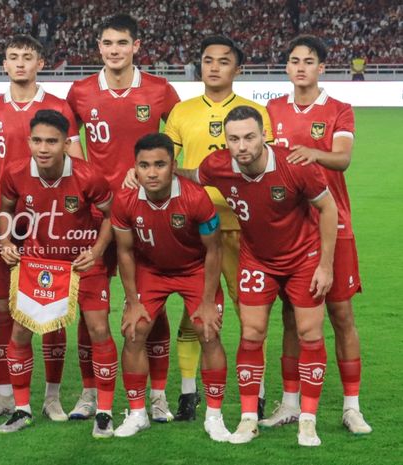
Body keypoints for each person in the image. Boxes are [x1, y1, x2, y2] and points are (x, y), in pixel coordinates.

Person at [178, 105, 338, 447]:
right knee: (251, 333)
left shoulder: (294, 166)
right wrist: (158, 168)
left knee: (310, 334)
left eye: (249, 137)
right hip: (257, 260)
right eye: (234, 139)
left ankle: (308, 421)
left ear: (264, 134)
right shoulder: (218, 166)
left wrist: (325, 265)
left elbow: (328, 208)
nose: (242, 146)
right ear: (226, 142)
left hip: (303, 258)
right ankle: (249, 418)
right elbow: (192, 175)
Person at [133, 35, 273, 420]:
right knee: (193, 311)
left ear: (237, 69)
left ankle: (255, 394)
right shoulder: (182, 112)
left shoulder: (255, 112)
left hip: (243, 226)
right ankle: (189, 394)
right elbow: (165, 163)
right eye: (207, 60)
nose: (214, 67)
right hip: (189, 225)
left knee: (249, 310)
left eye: (223, 61)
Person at [66, 13, 180, 422]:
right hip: (93, 213)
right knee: (88, 307)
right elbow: (65, 137)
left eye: (122, 43)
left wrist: (154, 177)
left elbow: (178, 137)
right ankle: (88, 391)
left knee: (153, 305)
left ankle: (158, 395)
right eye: (107, 43)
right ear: (99, 48)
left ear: (136, 47)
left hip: (144, 213)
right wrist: (87, 176)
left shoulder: (159, 89)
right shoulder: (80, 91)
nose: (114, 50)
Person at [265, 35, 371, 434]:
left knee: (342, 316)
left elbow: (342, 158)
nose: (301, 67)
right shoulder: (272, 109)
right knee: (291, 319)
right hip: (290, 228)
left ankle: (351, 406)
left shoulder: (339, 109)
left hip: (335, 224)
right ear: (288, 67)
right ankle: (290, 404)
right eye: (294, 61)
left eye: (309, 61)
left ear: (321, 67)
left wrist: (314, 153)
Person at [0, 34, 83, 420]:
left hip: (54, 223)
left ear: (41, 63)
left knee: (53, 309)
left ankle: (52, 396)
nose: (19, 63)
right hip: (8, 222)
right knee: (4, 309)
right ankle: (6, 392)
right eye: (12, 57)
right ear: (3, 64)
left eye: (27, 57)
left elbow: (77, 161)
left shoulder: (58, 107)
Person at [0, 110, 117, 438]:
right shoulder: (15, 172)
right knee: (21, 334)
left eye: (52, 141)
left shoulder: (88, 175)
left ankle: (104, 412)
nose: (44, 147)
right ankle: (22, 409)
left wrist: (96, 252)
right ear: (29, 141)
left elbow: (111, 215)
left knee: (99, 328)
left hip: (82, 264)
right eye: (37, 140)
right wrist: (6, 241)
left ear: (66, 143)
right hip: (37, 266)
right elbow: (4, 211)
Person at [112, 133, 229, 441]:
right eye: (144, 165)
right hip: (151, 271)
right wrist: (132, 301)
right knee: (134, 330)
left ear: (173, 165)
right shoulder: (124, 200)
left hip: (195, 269)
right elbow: (124, 252)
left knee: (208, 330)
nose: (152, 172)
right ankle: (138, 413)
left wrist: (206, 300)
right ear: (134, 167)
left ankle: (214, 416)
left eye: (160, 165)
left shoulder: (195, 197)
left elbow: (215, 249)